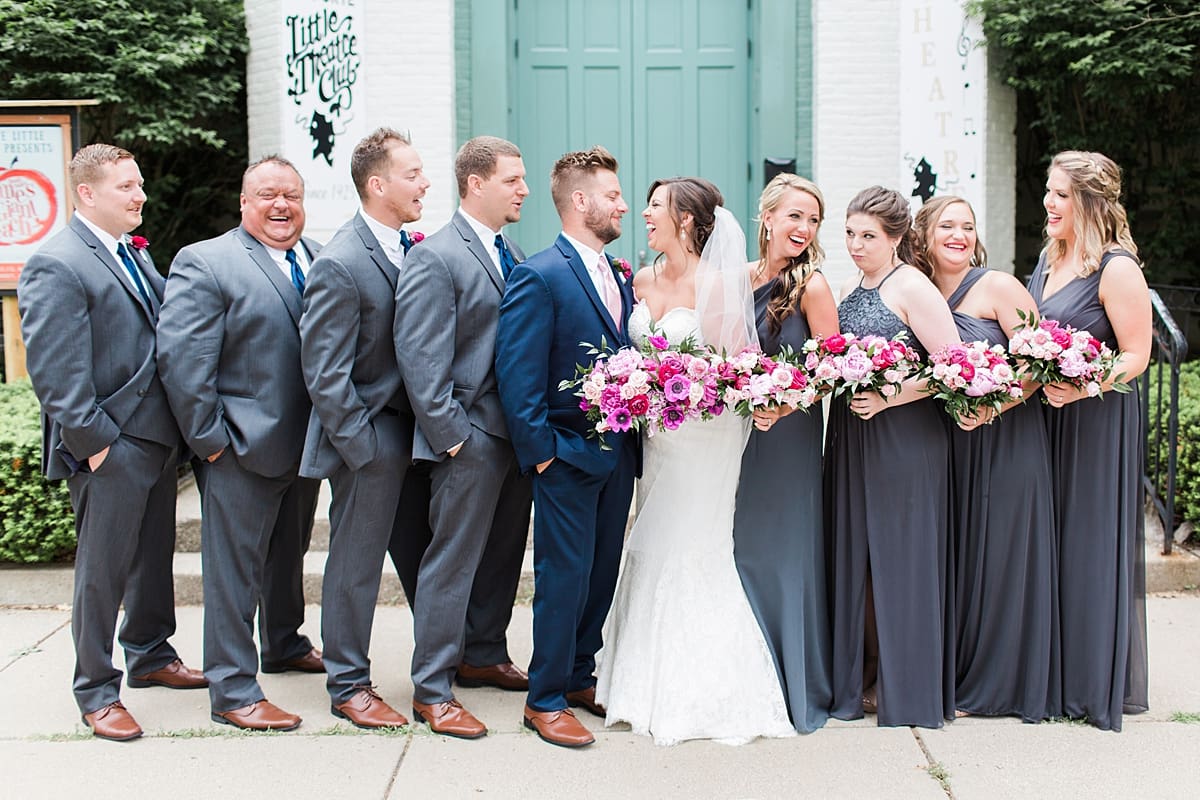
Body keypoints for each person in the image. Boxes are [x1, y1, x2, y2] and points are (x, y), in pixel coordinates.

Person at [593, 177, 794, 746]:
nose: (644, 214)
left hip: (706, 438)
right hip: (657, 439)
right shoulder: (641, 279)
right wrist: (635, 387)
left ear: (685, 220)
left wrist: (688, 388)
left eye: (655, 206)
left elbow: (739, 370)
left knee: (691, 544)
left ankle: (702, 690)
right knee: (650, 540)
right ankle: (637, 683)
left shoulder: (719, 284)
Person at [18, 144, 205, 742]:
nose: (139, 195)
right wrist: (96, 444)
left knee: (152, 555)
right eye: (126, 186)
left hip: (157, 439)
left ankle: (150, 654)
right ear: (87, 193)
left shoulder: (132, 252)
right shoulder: (58, 263)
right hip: (110, 444)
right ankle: (97, 690)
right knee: (102, 572)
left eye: (139, 184)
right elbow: (54, 370)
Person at [157, 156, 324, 732]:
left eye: (292, 195)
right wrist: (210, 443)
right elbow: (183, 361)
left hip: (306, 445)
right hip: (238, 448)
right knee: (234, 572)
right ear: (245, 203)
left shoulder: (317, 256)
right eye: (268, 195)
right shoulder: (206, 260)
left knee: (288, 554)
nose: (281, 205)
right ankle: (232, 688)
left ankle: (284, 642)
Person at [495, 146, 638, 748]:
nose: (623, 206)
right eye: (612, 195)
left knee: (601, 574)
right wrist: (544, 455)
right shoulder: (540, 275)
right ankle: (545, 698)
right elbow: (517, 375)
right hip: (565, 457)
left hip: (618, 455)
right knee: (564, 579)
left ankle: (580, 675)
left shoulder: (618, 274)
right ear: (580, 201)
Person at [392, 135, 533, 739]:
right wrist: (453, 437)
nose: (524, 190)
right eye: (512, 180)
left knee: (502, 555)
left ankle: (483, 653)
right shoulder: (436, 255)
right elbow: (419, 356)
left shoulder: (511, 250)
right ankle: (432, 687)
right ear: (476, 184)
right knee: (450, 562)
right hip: (468, 437)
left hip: (513, 437)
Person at [298, 128, 429, 728]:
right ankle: (348, 684)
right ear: (378, 185)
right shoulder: (342, 260)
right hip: (370, 440)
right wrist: (362, 448)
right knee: (355, 568)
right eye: (412, 174)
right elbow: (323, 372)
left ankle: (444, 663)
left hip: (416, 439)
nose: (425, 183)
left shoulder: (408, 247)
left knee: (424, 559)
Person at [913, 195, 1056, 722]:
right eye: (947, 226)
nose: (959, 235)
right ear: (924, 235)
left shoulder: (999, 286)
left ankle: (1000, 684)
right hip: (947, 444)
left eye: (968, 227)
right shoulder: (918, 290)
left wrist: (992, 405)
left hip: (1007, 438)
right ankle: (957, 673)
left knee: (1001, 556)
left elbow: (1039, 364)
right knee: (962, 556)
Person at [823, 186, 960, 729]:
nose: (856, 245)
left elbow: (955, 368)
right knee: (858, 560)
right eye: (850, 234)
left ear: (896, 237)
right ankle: (863, 675)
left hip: (904, 438)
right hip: (853, 439)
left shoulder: (912, 287)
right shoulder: (851, 286)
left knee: (900, 557)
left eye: (868, 236)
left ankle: (905, 683)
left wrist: (891, 396)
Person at [1028, 151, 1151, 731]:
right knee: (1048, 541)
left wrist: (1083, 387)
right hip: (1046, 420)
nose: (1048, 203)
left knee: (1087, 540)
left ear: (1089, 201)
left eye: (1060, 194)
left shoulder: (1116, 268)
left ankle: (1088, 681)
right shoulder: (1048, 259)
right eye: (1048, 191)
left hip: (1096, 422)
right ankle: (1050, 673)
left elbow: (1137, 354)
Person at [732, 174, 838, 733]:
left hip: (789, 438)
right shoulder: (739, 278)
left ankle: (794, 680)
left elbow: (830, 371)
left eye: (813, 220)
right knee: (741, 549)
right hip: (738, 436)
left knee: (783, 551)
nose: (804, 228)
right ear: (767, 216)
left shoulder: (811, 287)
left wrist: (785, 404)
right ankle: (747, 674)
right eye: (795, 215)